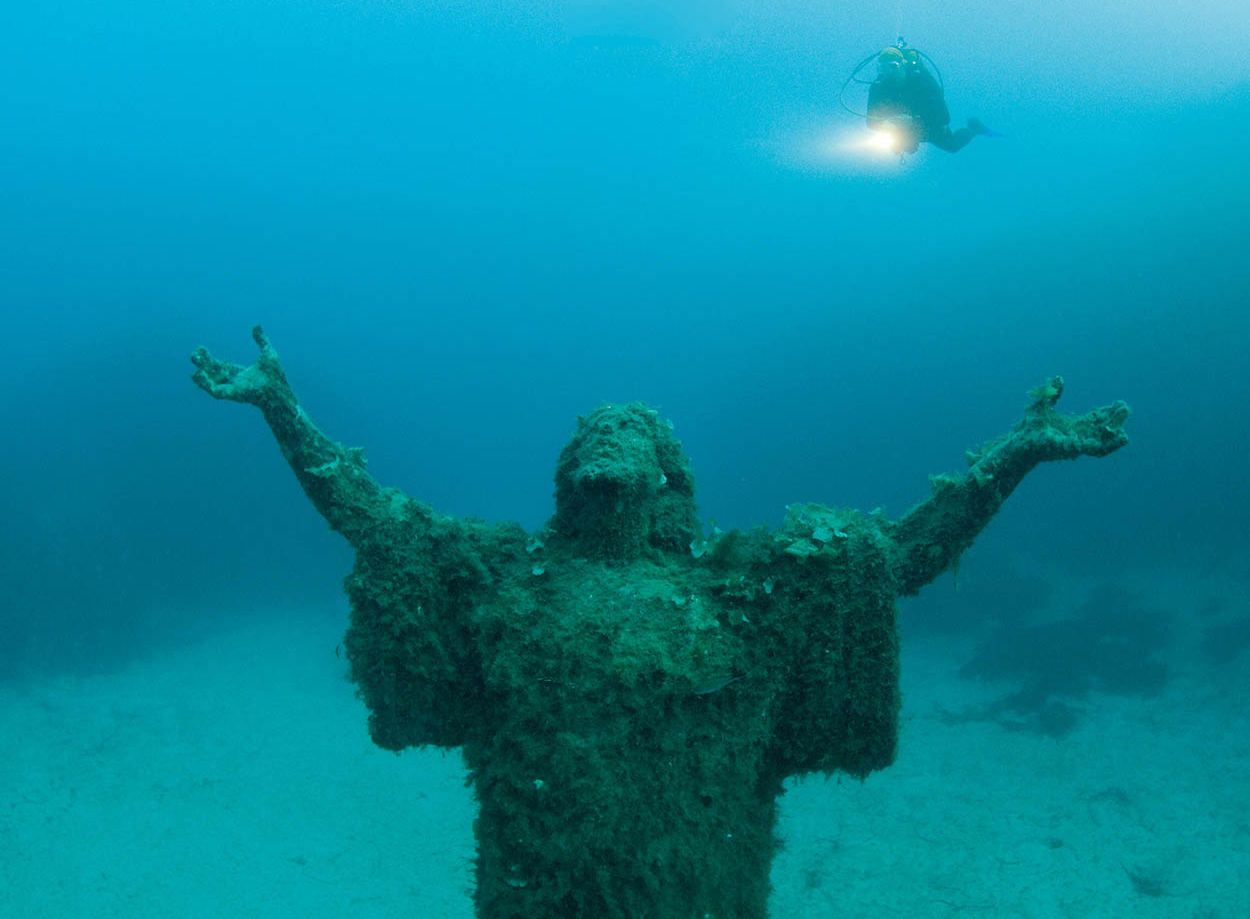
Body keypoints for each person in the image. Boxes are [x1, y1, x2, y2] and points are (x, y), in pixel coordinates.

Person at [190, 327, 1129, 919]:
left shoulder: (749, 588)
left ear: (667, 476)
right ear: (568, 476)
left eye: (639, 433)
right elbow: (375, 516)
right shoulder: (504, 576)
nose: (615, 432)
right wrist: (282, 408)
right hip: (537, 887)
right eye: (595, 432)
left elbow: (895, 557)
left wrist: (1014, 456)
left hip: (704, 887)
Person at [867, 45, 990, 154]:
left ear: (903, 65)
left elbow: (944, 118)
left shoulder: (922, 81)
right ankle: (905, 140)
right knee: (902, 148)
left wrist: (912, 121)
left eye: (893, 66)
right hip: (900, 127)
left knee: (952, 146)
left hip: (929, 125)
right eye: (882, 67)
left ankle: (974, 128)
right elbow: (871, 121)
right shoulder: (878, 87)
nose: (888, 72)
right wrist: (887, 126)